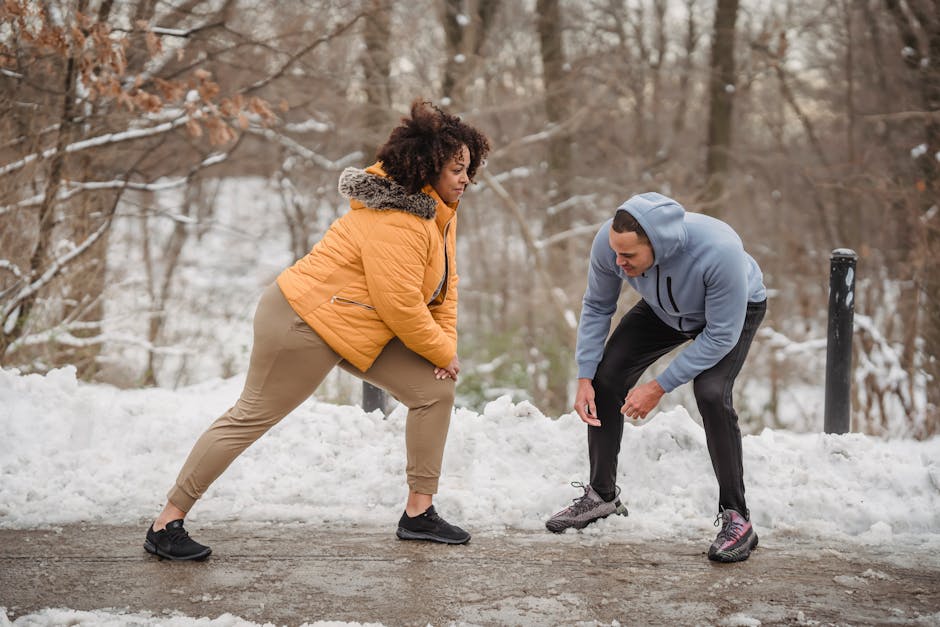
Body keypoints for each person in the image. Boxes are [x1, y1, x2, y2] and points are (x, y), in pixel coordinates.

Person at [144, 100, 491, 560]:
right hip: (301, 320)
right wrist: (442, 352)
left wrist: (443, 348)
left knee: (433, 391)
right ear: (428, 168)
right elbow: (401, 305)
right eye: (456, 169)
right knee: (250, 417)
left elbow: (445, 289)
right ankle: (166, 523)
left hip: (353, 323)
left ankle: (418, 513)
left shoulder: (437, 213)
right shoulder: (400, 221)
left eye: (469, 168)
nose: (465, 179)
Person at [545, 192, 767, 563]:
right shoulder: (611, 244)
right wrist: (584, 376)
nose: (618, 262)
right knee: (605, 378)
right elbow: (598, 305)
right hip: (665, 311)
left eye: (629, 256)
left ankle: (737, 517)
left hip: (731, 314)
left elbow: (720, 336)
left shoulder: (719, 251)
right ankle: (602, 496)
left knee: (711, 393)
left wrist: (659, 385)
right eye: (616, 252)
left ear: (658, 247)